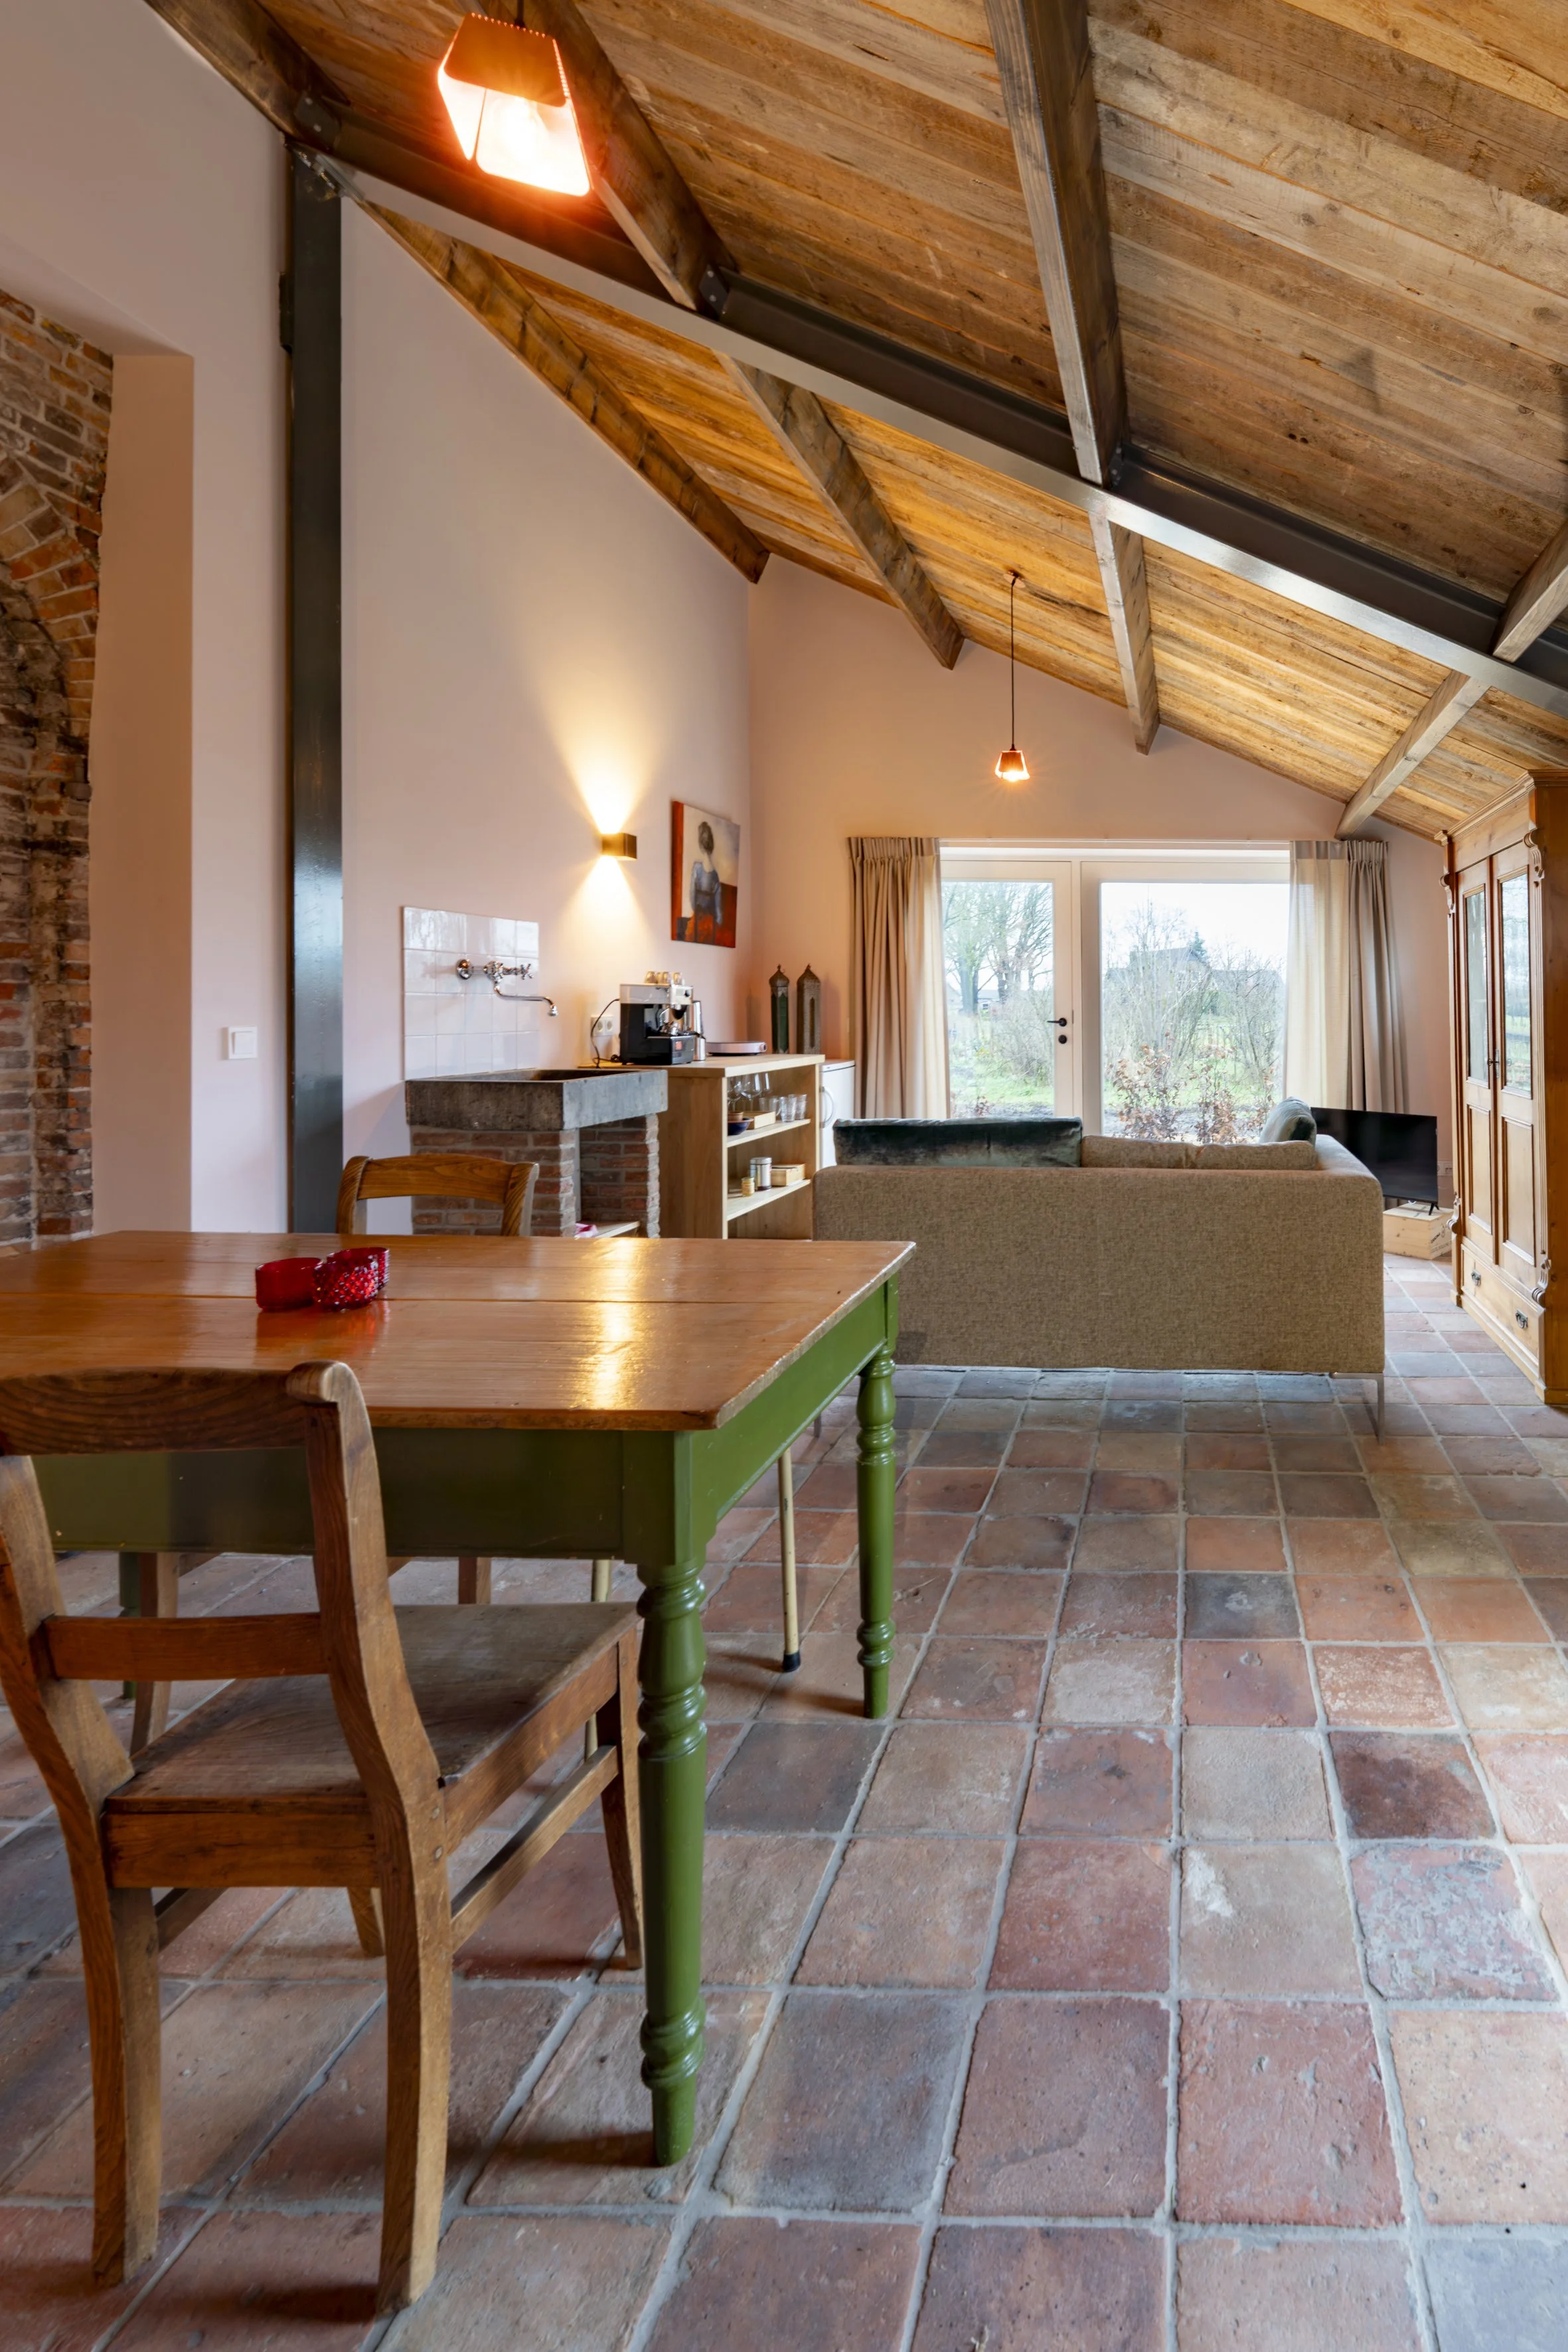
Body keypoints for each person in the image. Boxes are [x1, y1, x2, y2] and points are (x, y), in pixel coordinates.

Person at [689, 819, 722, 943]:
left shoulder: (697, 868)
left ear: (700, 844)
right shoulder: (716, 876)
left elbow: (692, 899)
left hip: (697, 923)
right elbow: (719, 914)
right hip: (710, 927)